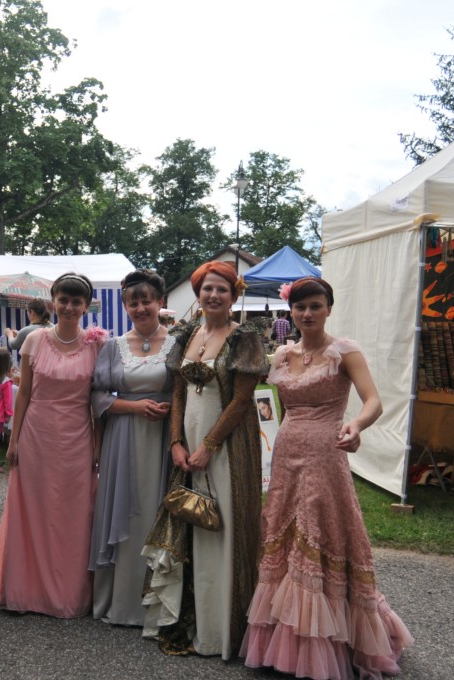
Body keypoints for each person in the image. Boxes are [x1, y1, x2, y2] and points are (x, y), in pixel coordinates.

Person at [240, 276, 412, 679]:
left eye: (315, 306)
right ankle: (283, 639)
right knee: (282, 533)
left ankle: (328, 642)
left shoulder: (345, 351)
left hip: (326, 454)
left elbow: (374, 401)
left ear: (329, 309)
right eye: (300, 307)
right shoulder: (282, 355)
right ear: (291, 312)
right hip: (286, 455)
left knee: (322, 532)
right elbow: (270, 401)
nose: (307, 313)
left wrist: (357, 425)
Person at [140, 261, 264, 659]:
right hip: (188, 442)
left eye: (222, 290)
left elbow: (241, 400)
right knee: (190, 526)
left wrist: (210, 445)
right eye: (207, 289)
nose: (213, 295)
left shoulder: (244, 337)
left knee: (220, 530)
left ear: (233, 296)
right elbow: (178, 391)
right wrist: (176, 441)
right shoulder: (188, 332)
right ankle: (189, 619)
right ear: (198, 293)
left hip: (228, 446)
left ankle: (219, 632)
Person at [0, 272, 106, 618]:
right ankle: (25, 592)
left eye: (76, 301)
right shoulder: (35, 340)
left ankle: (69, 594)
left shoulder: (97, 344)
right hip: (37, 433)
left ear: (86, 306)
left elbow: (97, 400)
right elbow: (24, 392)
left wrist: (98, 444)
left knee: (74, 514)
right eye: (63, 300)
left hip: (77, 436)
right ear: (53, 301)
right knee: (32, 510)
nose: (69, 307)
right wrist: (14, 439)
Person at [89, 268, 172, 626]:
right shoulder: (113, 346)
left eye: (146, 301)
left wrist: (169, 407)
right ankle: (120, 602)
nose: (140, 308)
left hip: (163, 436)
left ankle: (158, 601)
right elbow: (97, 396)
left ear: (160, 302)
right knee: (124, 510)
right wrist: (135, 407)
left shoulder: (179, 344)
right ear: (125, 306)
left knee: (157, 510)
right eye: (132, 303)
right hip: (123, 437)